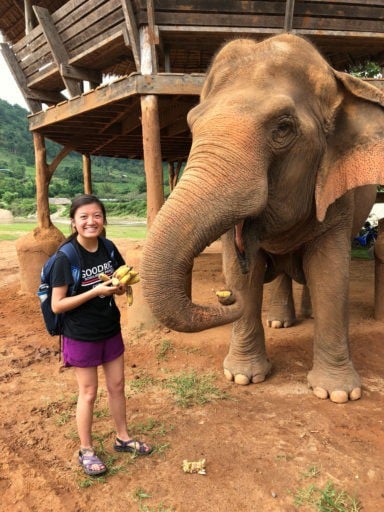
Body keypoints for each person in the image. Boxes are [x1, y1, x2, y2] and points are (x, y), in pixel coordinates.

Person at [51, 194, 152, 476]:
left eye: (96, 215)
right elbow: (57, 304)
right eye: (83, 217)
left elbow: (118, 280)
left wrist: (118, 288)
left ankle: (123, 437)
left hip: (109, 328)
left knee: (117, 385)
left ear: (103, 219)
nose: (90, 222)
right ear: (73, 222)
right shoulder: (65, 257)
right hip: (81, 334)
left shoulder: (108, 248)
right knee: (88, 392)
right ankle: (86, 450)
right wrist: (94, 291)